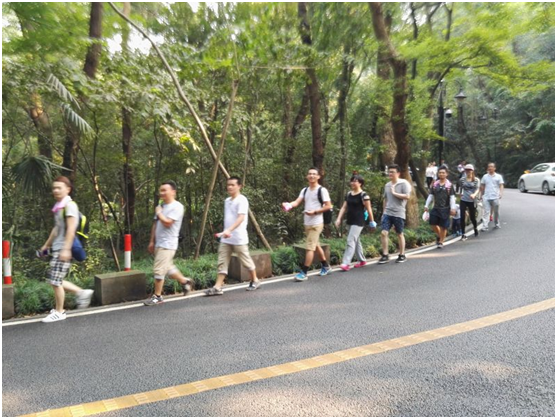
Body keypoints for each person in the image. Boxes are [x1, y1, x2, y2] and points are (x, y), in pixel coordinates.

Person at [40, 176, 94, 323]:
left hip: (63, 248)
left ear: (68, 189)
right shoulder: (60, 207)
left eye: (59, 188)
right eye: (54, 188)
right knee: (54, 279)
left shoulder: (70, 206)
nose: (56, 190)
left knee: (55, 281)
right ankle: (81, 292)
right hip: (58, 247)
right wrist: (46, 245)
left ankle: (60, 312)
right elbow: (56, 229)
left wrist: (66, 249)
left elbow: (71, 229)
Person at [205, 177, 261, 296]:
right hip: (226, 238)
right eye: (228, 185)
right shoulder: (227, 201)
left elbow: (241, 218)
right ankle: (217, 287)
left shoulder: (242, 200)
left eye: (232, 185)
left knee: (245, 261)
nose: (229, 187)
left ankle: (255, 280)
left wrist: (229, 230)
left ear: (239, 186)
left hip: (239, 237)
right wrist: (225, 232)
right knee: (222, 262)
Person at [144, 181, 193, 305]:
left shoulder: (177, 206)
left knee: (159, 270)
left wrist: (159, 212)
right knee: (168, 268)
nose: (161, 193)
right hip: (159, 242)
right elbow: (155, 224)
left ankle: (157, 296)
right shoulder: (161, 206)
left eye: (164, 190)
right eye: (160, 190)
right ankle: (185, 281)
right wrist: (151, 241)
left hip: (168, 243)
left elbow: (168, 223)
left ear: (173, 192)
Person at [282, 167, 332, 281]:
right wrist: (288, 205)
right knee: (315, 244)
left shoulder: (322, 190)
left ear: (318, 177)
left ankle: (304, 272)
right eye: (309, 174)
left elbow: (328, 206)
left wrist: (315, 212)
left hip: (316, 223)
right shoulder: (305, 190)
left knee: (310, 247)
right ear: (307, 176)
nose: (311, 176)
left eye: (314, 174)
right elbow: (297, 202)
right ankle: (325, 266)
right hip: (307, 222)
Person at [334, 174, 377, 271]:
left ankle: (346, 263)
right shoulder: (349, 194)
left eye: (355, 181)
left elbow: (369, 209)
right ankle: (362, 260)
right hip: (350, 220)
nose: (352, 183)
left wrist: (372, 222)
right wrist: (339, 219)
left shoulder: (364, 195)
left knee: (350, 240)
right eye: (352, 181)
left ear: (360, 183)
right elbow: (344, 207)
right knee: (356, 240)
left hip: (359, 221)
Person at [378, 164, 412, 264]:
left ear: (398, 173)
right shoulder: (387, 185)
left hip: (399, 212)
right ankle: (385, 254)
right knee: (383, 232)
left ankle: (402, 254)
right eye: (389, 172)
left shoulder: (404, 183)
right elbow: (385, 199)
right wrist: (383, 212)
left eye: (392, 172)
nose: (390, 174)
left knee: (399, 234)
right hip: (387, 212)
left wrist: (394, 193)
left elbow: (407, 196)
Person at [424, 167, 457, 249]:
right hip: (436, 208)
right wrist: (426, 205)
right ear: (438, 174)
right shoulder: (435, 184)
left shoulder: (449, 185)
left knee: (443, 226)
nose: (441, 174)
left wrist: (453, 208)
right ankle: (440, 235)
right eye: (440, 172)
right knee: (432, 223)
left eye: (443, 172)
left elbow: (452, 197)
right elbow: (431, 195)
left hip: (445, 208)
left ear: (446, 174)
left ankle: (441, 241)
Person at [480, 162, 504, 230]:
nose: (490, 168)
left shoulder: (498, 176)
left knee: (496, 212)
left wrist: (501, 193)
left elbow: (501, 185)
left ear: (494, 168)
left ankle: (496, 223)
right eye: (489, 166)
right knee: (486, 211)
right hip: (486, 196)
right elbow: (482, 186)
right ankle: (485, 226)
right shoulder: (485, 176)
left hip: (495, 196)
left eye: (491, 166)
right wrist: (481, 195)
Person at [459, 164, 480, 240]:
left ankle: (475, 227)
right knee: (462, 217)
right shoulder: (462, 179)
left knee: (472, 217)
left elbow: (478, 189)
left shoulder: (476, 180)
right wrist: (460, 194)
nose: (468, 171)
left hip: (472, 200)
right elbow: (461, 188)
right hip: (463, 199)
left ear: (472, 171)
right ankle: (463, 233)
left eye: (469, 170)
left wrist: (474, 195)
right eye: (466, 170)